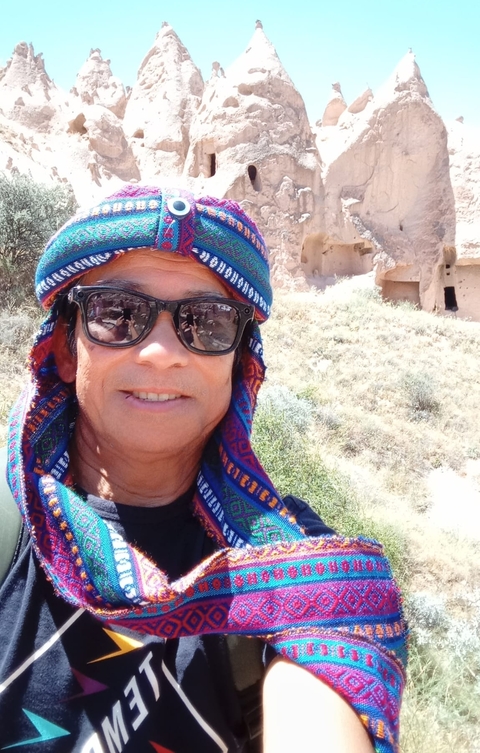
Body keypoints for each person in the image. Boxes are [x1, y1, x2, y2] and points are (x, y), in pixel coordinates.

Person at [0, 182, 406, 753]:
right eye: (117, 313)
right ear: (66, 350)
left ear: (239, 364)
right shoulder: (8, 534)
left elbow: (321, 678)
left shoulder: (298, 567)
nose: (162, 352)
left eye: (206, 322)